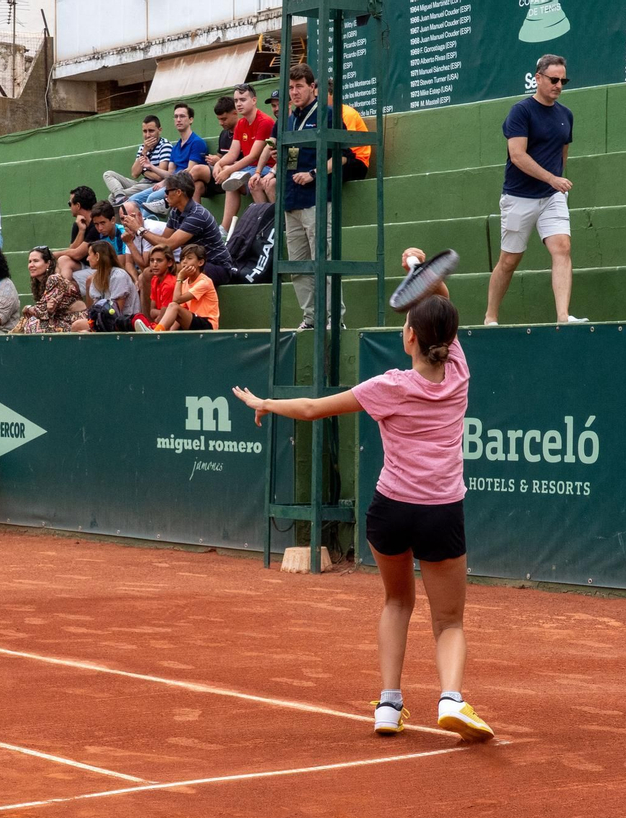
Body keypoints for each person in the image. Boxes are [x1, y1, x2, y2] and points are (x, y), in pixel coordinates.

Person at [231, 249, 493, 743]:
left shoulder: (387, 386)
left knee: (396, 602)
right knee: (450, 619)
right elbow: (443, 306)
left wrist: (264, 401)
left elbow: (311, 407)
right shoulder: (459, 375)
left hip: (389, 512)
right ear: (449, 341)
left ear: (409, 336)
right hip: (442, 513)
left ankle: (389, 706)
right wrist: (419, 273)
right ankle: (451, 698)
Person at [484, 54, 585, 328]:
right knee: (509, 261)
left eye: (564, 80)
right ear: (538, 78)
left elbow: (563, 152)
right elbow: (517, 155)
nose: (559, 85)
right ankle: (491, 316)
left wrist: (557, 185)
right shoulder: (521, 111)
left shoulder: (566, 115)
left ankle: (563, 317)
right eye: (554, 79)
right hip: (518, 197)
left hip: (552, 197)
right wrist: (553, 178)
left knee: (562, 247)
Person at [282, 63, 346, 330]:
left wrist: (314, 174)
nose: (294, 92)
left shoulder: (328, 114)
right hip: (290, 201)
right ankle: (310, 319)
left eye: (299, 87)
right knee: (298, 266)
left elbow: (342, 156)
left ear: (313, 87)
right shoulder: (289, 119)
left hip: (317, 200)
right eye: (291, 88)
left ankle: (334, 319)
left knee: (325, 260)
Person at [214, 83, 276, 236]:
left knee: (248, 180)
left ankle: (266, 224)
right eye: (236, 101)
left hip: (266, 168)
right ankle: (225, 227)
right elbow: (233, 153)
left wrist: (228, 169)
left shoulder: (265, 121)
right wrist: (219, 163)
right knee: (230, 179)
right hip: (249, 169)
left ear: (254, 100)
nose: (239, 104)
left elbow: (253, 156)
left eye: (243, 99)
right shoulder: (241, 123)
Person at [155, 172, 234, 289]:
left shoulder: (197, 215)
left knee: (182, 275)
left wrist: (140, 230)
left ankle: (177, 306)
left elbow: (169, 245)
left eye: (167, 192)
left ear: (178, 192)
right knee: (148, 274)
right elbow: (163, 242)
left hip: (216, 266)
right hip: (192, 262)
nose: (165, 196)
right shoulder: (175, 212)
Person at [135, 244, 218, 332]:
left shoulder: (204, 281)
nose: (184, 262)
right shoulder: (185, 282)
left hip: (208, 324)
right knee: (175, 307)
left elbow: (176, 300)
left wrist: (180, 278)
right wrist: (171, 332)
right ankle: (159, 332)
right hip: (192, 320)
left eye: (189, 258)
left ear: (200, 262)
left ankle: (155, 332)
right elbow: (181, 309)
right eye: (182, 259)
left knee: (174, 305)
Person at [151, 103, 210, 219]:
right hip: (172, 184)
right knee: (135, 199)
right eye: (176, 116)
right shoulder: (176, 147)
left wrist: (164, 183)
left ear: (191, 119)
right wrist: (149, 167)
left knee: (152, 198)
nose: (178, 120)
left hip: (186, 185)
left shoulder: (196, 142)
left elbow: (189, 171)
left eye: (182, 116)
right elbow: (170, 172)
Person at [105, 115, 174, 211]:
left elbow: (160, 176)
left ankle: (120, 207)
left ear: (159, 130)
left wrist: (144, 171)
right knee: (108, 174)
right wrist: (145, 150)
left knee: (111, 198)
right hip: (141, 183)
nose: (147, 135)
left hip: (153, 185)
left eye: (151, 131)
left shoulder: (165, 145)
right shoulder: (143, 147)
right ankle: (120, 195)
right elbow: (134, 173)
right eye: (145, 131)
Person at [71, 240, 138, 331]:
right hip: (105, 320)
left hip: (124, 322)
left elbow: (116, 312)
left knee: (77, 325)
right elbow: (93, 310)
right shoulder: (95, 278)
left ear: (97, 256)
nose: (87, 259)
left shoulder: (119, 276)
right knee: (80, 328)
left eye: (89, 255)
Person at [20, 245, 82, 335]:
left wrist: (28, 308)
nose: (31, 265)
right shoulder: (38, 284)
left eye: (36, 261)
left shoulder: (54, 279)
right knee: (29, 323)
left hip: (73, 320)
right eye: (30, 262)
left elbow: (42, 311)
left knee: (33, 324)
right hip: (57, 320)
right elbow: (44, 310)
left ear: (48, 263)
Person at [55, 185, 98, 280]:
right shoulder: (78, 224)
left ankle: (63, 291)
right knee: (63, 260)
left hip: (98, 267)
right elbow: (72, 250)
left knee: (63, 266)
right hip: (84, 265)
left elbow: (78, 254)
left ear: (78, 205)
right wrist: (81, 231)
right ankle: (60, 290)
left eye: (70, 203)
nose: (70, 207)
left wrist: (52, 255)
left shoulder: (97, 224)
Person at [331, 87, 372, 183]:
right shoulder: (327, 115)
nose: (318, 100)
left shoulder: (346, 113)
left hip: (357, 162)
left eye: (320, 96)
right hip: (340, 159)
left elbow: (346, 147)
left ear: (332, 95)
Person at [133, 246, 176, 331]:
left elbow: (163, 318)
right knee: (134, 319)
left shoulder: (169, 284)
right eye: (152, 260)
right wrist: (160, 314)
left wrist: (160, 315)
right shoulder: (155, 279)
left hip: (172, 326)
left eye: (159, 260)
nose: (154, 264)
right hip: (158, 323)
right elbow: (152, 312)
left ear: (169, 263)